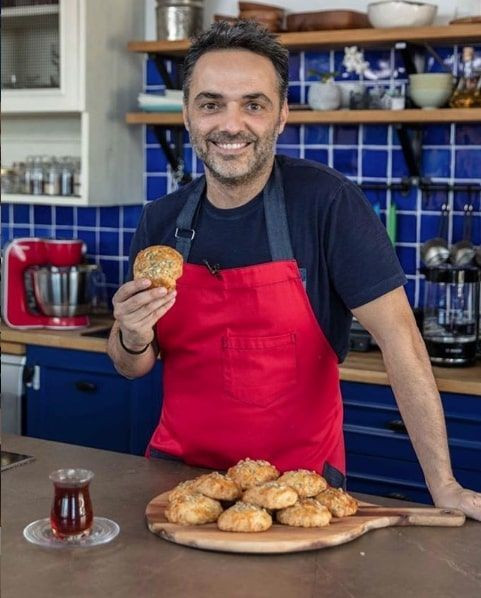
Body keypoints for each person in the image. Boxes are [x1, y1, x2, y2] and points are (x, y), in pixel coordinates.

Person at [107, 21, 481, 520]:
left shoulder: (327, 204)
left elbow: (401, 342)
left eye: (254, 104)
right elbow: (133, 363)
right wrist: (130, 334)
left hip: (300, 494)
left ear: (281, 115)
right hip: (180, 482)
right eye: (211, 103)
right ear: (187, 114)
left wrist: (445, 485)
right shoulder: (161, 219)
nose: (231, 124)